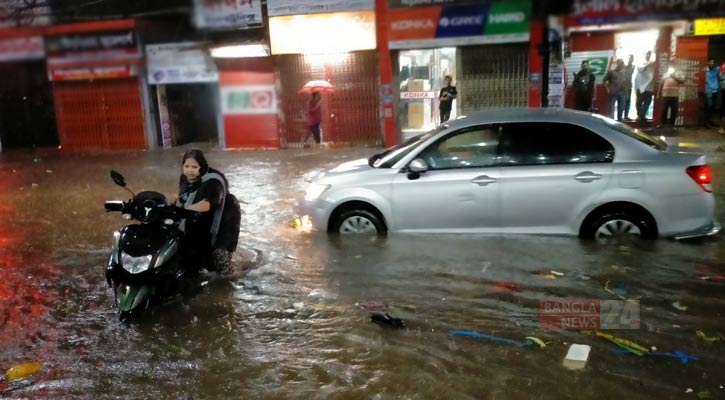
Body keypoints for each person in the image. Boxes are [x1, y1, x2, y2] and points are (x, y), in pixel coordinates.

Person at [177, 149, 242, 275]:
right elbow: (184, 198)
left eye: (194, 167)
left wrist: (184, 211)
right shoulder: (184, 178)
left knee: (219, 257)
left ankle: (230, 280)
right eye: (187, 166)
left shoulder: (214, 180)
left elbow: (211, 203)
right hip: (201, 215)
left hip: (225, 216)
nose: (190, 170)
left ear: (202, 166)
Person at [634, 50, 655, 122]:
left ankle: (641, 115)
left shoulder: (653, 64)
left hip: (650, 87)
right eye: (647, 54)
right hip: (641, 86)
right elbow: (640, 69)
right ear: (645, 55)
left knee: (647, 102)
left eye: (650, 54)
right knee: (639, 102)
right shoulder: (641, 62)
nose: (649, 56)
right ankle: (640, 115)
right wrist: (648, 64)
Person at [704, 59, 720, 127]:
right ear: (708, 63)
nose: (712, 63)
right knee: (709, 106)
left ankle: (710, 121)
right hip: (709, 90)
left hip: (715, 90)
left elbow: (720, 75)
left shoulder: (717, 70)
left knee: (713, 106)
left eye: (713, 62)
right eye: (710, 62)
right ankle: (706, 122)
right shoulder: (705, 70)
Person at [623, 55, 635, 120]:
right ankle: (621, 115)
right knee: (623, 100)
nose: (630, 60)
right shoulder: (624, 66)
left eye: (632, 59)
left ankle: (626, 115)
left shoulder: (633, 66)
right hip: (623, 86)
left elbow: (631, 73)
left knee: (628, 101)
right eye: (630, 58)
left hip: (629, 86)